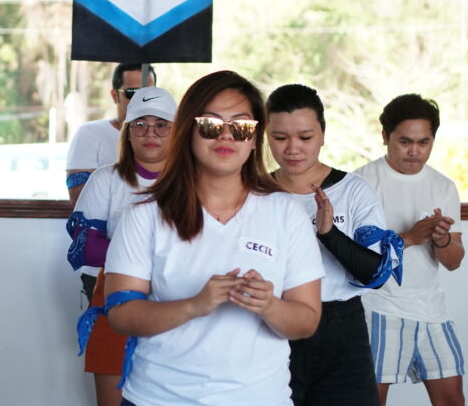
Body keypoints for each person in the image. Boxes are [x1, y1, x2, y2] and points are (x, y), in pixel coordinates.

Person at [104, 70, 324, 405]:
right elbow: (121, 315)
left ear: (254, 139)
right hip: (158, 398)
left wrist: (269, 305)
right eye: (210, 125)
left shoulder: (286, 213)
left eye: (241, 126)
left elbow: (306, 321)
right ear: (188, 132)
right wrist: (194, 305)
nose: (225, 136)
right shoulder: (144, 213)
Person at [266, 84, 401, 406]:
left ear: (323, 134)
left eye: (305, 137)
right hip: (273, 324)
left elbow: (377, 274)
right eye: (280, 138)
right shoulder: (255, 192)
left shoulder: (354, 191)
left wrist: (330, 235)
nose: (292, 149)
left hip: (340, 329)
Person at [355, 94, 466, 406]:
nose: (415, 151)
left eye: (424, 142)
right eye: (405, 141)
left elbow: (454, 262)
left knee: (452, 399)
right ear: (385, 137)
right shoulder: (361, 183)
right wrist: (411, 237)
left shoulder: (443, 186)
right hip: (378, 308)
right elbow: (352, 257)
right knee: (371, 400)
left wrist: (442, 240)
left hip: (431, 309)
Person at [67, 87, 176, 406]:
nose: (150, 133)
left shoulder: (196, 182)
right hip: (115, 298)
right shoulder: (105, 180)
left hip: (181, 298)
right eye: (140, 124)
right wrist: (157, 251)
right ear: (127, 132)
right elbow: (84, 247)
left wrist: (126, 248)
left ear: (176, 131)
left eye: (161, 124)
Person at [66, 62, 156, 302]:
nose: (141, 99)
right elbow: (77, 196)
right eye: (132, 92)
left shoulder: (183, 175)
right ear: (114, 94)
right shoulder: (91, 136)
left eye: (148, 92)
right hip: (103, 274)